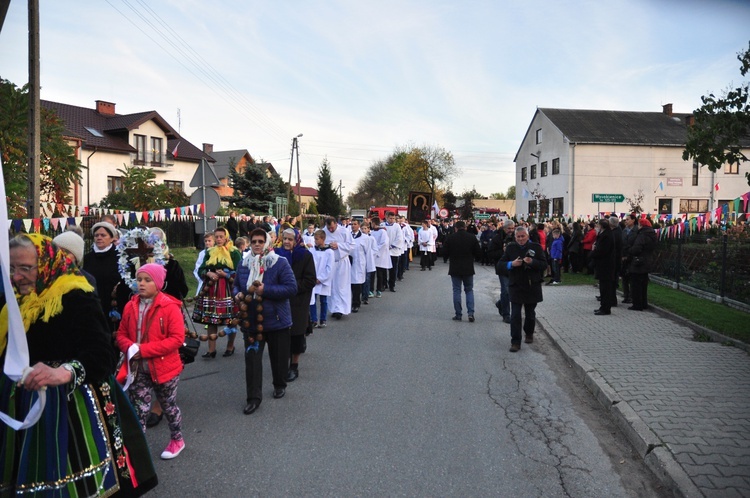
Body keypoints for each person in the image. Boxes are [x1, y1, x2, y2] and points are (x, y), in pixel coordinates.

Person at [1, 233, 157, 496]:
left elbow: (101, 353)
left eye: (26, 268)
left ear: (47, 263)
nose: (16, 276)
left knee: (72, 474)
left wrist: (64, 372)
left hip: (71, 401)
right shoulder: (16, 298)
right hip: (23, 398)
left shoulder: (76, 294)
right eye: (12, 268)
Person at [116, 263, 186, 460]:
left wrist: (142, 350)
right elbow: (121, 333)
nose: (142, 284)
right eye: (139, 280)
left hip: (164, 368)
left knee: (168, 405)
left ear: (158, 283)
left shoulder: (170, 307)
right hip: (138, 369)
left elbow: (176, 339)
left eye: (147, 280)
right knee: (138, 409)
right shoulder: (130, 306)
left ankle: (177, 439)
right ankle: (138, 452)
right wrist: (129, 347)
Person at [235, 229, 297, 415]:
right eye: (254, 241)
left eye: (261, 241)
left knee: (278, 358)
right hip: (251, 321)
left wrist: (266, 290)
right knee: (252, 361)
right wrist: (237, 293)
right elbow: (237, 284)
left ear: (268, 243)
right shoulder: (244, 264)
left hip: (277, 320)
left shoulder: (279, 263)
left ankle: (279, 384)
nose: (257, 244)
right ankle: (253, 398)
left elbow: (291, 288)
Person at [193, 227, 242, 357]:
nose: (219, 239)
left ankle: (230, 346)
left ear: (226, 237)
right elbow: (201, 269)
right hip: (211, 288)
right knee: (210, 319)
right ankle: (211, 349)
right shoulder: (209, 252)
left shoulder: (234, 252)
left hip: (227, 287)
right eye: (217, 237)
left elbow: (240, 271)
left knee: (230, 319)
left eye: (221, 236)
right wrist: (208, 272)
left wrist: (226, 275)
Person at [275, 229, 316, 382]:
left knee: (296, 334)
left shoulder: (305, 256)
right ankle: (281, 364)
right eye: (285, 238)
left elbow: (310, 279)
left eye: (290, 239)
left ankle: (294, 365)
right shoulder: (276, 255)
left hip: (298, 300)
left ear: (297, 240)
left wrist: (291, 287)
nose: (287, 242)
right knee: (281, 334)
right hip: (279, 299)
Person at [498, 226, 547, 352]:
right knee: (515, 315)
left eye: (523, 236)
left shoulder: (535, 247)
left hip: (531, 285)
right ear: (515, 237)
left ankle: (529, 332)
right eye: (518, 237)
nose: (520, 239)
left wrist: (532, 262)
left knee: (530, 314)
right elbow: (500, 266)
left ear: (527, 236)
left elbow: (543, 264)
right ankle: (515, 341)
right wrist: (511, 264)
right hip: (516, 285)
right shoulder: (511, 248)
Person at [83, 220, 123, 331]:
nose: (99, 238)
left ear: (111, 238)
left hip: (113, 305)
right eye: (96, 235)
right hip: (94, 304)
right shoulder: (88, 258)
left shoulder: (120, 257)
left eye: (103, 235)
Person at [442, 220, 481, 322]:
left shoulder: (451, 238)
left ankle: (458, 314)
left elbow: (444, 252)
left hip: (455, 268)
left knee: (456, 291)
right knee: (469, 290)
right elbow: (478, 252)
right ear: (465, 227)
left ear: (455, 228)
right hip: (468, 268)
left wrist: (447, 258)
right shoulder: (472, 237)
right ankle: (471, 313)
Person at [322, 217, 353, 319]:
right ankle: (334, 308)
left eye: (332, 227)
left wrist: (338, 245)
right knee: (331, 287)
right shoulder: (323, 231)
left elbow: (352, 245)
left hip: (342, 261)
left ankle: (341, 309)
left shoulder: (344, 231)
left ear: (336, 223)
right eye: (328, 227)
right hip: (330, 263)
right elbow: (319, 244)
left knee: (341, 286)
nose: (330, 230)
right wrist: (327, 246)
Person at [487, 220, 515, 323]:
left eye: (512, 228)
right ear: (504, 228)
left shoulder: (516, 237)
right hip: (502, 268)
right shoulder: (497, 238)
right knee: (506, 291)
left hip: (515, 267)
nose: (511, 231)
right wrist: (502, 252)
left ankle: (500, 303)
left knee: (513, 291)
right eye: (509, 228)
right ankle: (506, 314)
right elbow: (490, 253)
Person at [627, 217, 657, 311]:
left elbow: (637, 248)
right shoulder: (652, 234)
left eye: (639, 224)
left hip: (638, 263)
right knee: (644, 285)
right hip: (647, 261)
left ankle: (637, 305)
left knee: (636, 285)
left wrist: (630, 250)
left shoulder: (642, 235)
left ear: (642, 225)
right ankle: (644, 303)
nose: (638, 226)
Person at [591, 219, 616, 315]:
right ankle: (603, 306)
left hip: (606, 265)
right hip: (603, 265)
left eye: (598, 225)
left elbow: (602, 251)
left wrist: (593, 252)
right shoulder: (604, 234)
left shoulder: (607, 236)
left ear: (601, 226)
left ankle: (606, 308)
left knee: (606, 288)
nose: (597, 227)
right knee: (603, 287)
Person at [310, 230, 334, 328]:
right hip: (313, 278)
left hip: (323, 280)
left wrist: (321, 279)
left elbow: (330, 267)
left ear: (323, 239)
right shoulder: (312, 250)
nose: (315, 241)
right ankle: (314, 320)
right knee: (312, 300)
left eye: (316, 239)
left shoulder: (329, 252)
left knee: (323, 300)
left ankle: (323, 319)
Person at [349, 219, 369, 313]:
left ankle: (356, 304)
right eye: (352, 224)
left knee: (357, 284)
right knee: (349, 285)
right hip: (348, 263)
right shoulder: (347, 236)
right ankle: (349, 303)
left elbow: (368, 252)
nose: (353, 226)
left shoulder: (364, 238)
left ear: (359, 225)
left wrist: (368, 265)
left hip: (359, 264)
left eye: (355, 224)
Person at [383, 212, 404, 292]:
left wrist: (392, 246)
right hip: (384, 251)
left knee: (393, 269)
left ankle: (392, 285)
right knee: (384, 269)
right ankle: (384, 284)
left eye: (393, 218)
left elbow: (399, 238)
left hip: (394, 251)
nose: (392, 220)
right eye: (390, 218)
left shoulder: (397, 226)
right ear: (387, 218)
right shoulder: (382, 226)